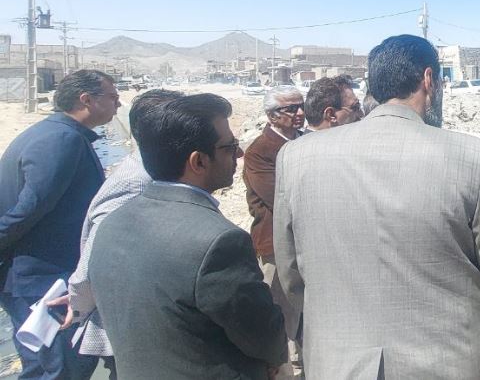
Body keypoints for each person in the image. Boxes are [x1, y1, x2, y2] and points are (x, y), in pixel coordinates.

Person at [273, 34, 480, 378]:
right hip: (449, 361)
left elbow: (291, 275)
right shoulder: (470, 155)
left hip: (341, 364)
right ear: (429, 79)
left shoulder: (297, 157)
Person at [88, 94, 286, 379]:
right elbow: (262, 333)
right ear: (198, 161)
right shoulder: (219, 242)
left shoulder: (113, 222)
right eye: (230, 147)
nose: (240, 155)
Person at [45, 89, 184, 379]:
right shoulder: (137, 181)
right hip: (128, 326)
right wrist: (78, 300)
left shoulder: (149, 170)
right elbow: (98, 250)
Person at [0, 69, 120, 380]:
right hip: (43, 281)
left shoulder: (53, 133)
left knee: (47, 367)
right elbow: (29, 208)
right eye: (112, 97)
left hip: (35, 276)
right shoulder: (62, 140)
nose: (119, 104)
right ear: (86, 99)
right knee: (59, 368)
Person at [243, 86, 305, 376]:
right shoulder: (260, 151)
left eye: (301, 106)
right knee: (279, 310)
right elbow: (277, 197)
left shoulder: (305, 141)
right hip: (274, 243)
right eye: (291, 109)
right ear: (272, 116)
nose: (299, 113)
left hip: (306, 240)